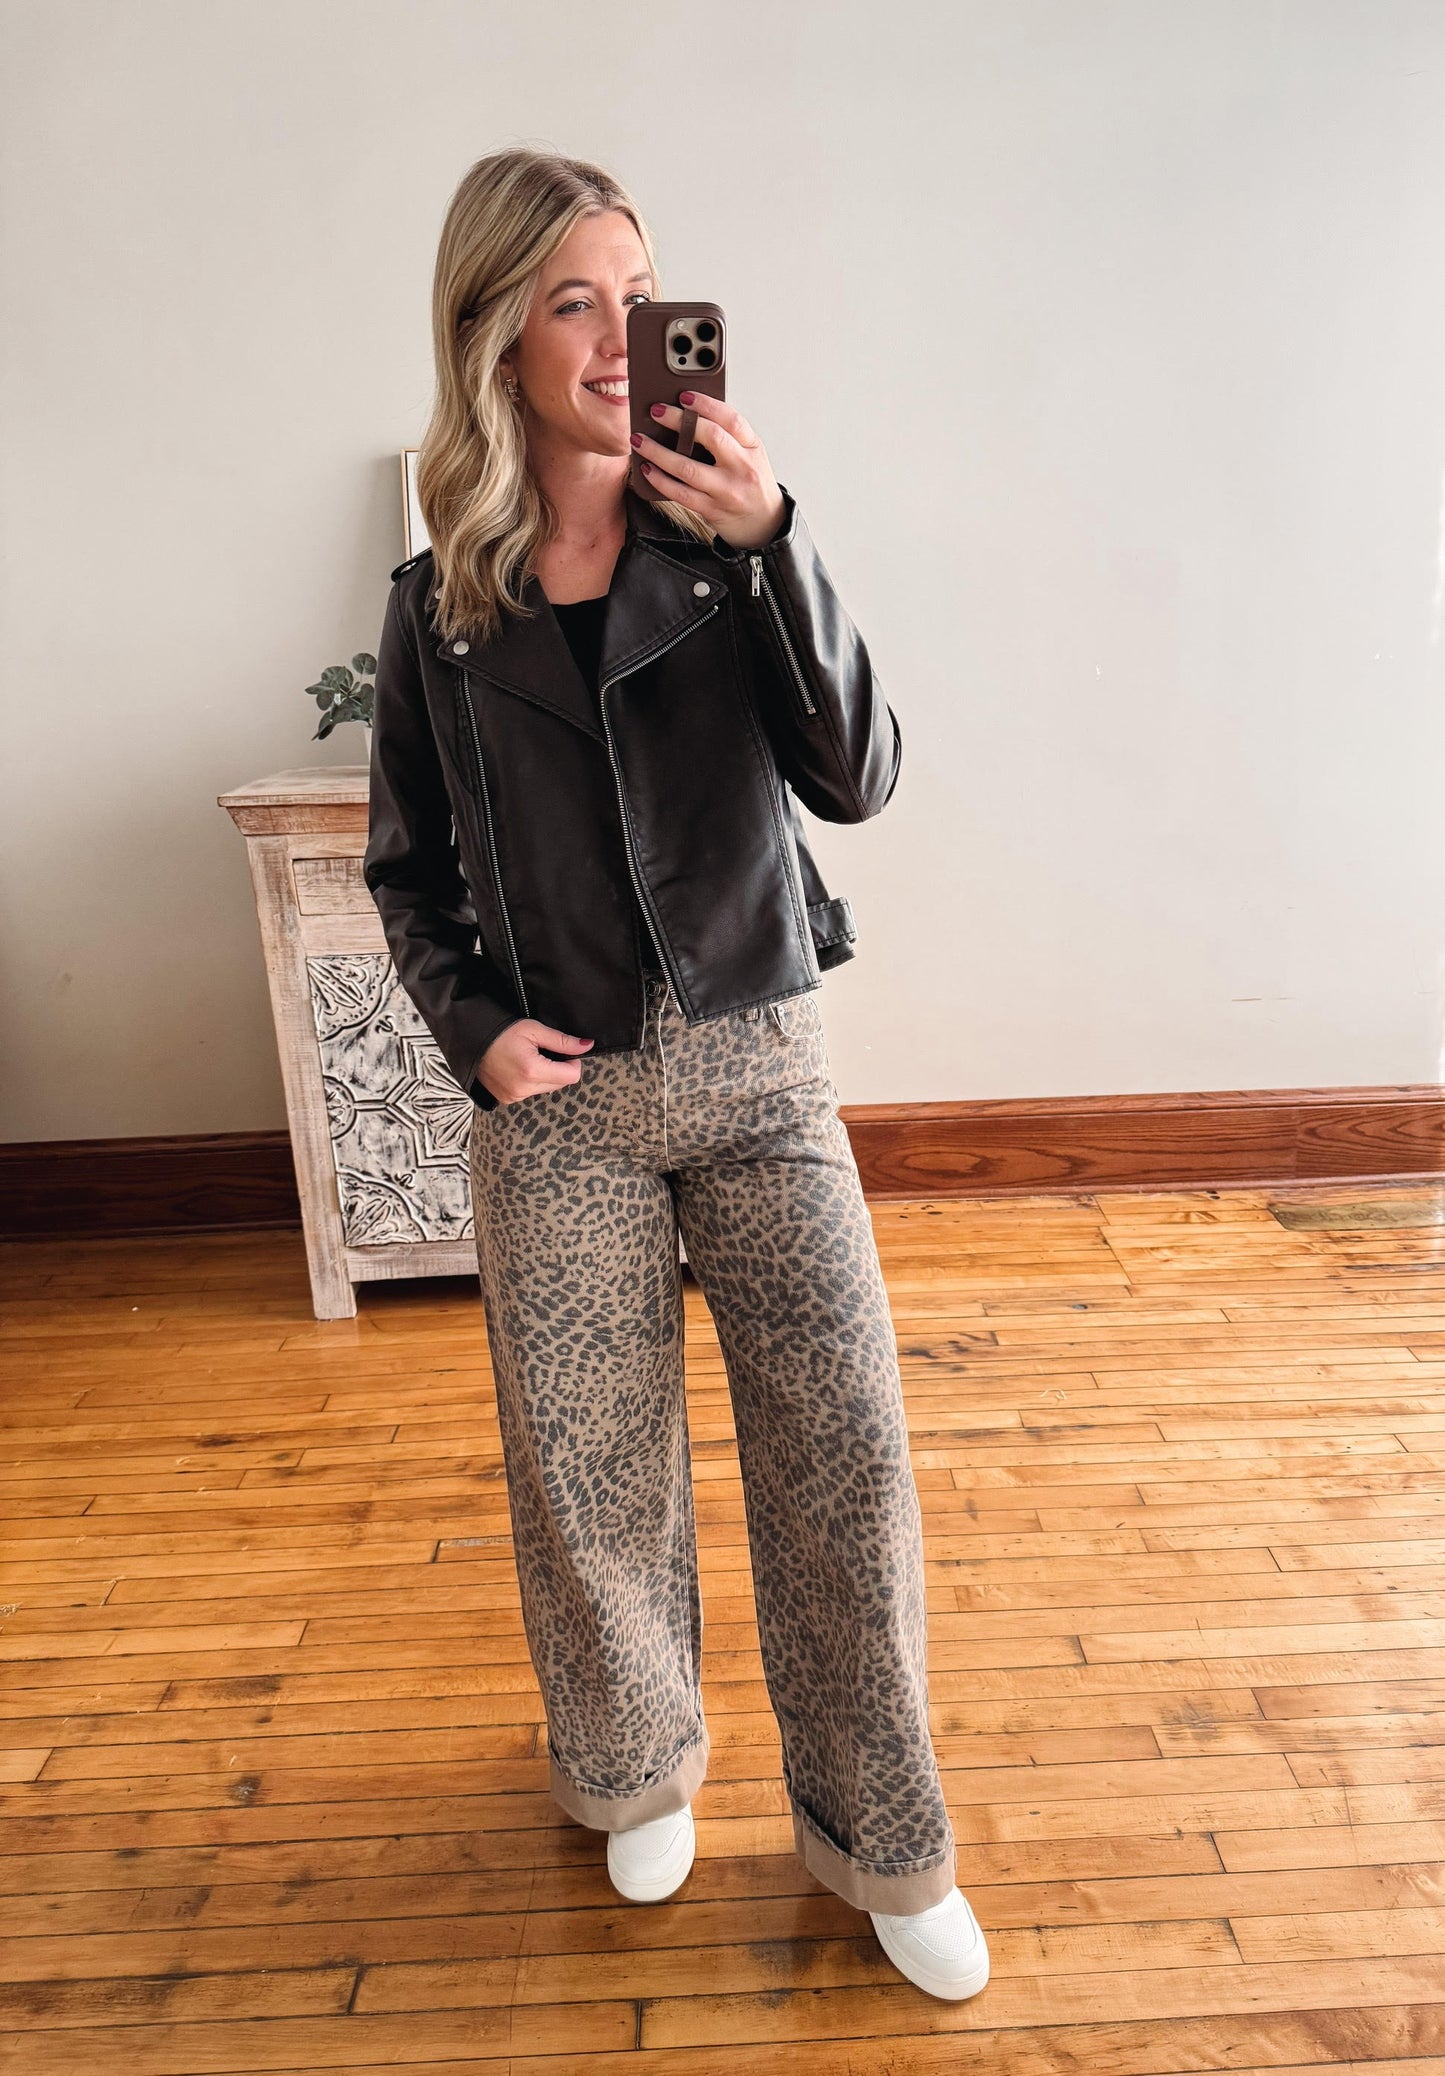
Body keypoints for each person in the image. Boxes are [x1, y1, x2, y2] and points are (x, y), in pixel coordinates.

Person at [364, 146, 989, 2004]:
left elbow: (856, 777)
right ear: (493, 336)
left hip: (757, 1066)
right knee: (586, 1471)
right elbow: (406, 867)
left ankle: (885, 1840)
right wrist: (474, 1029)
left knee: (844, 1458)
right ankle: (634, 1764)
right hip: (558, 1106)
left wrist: (772, 535)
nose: (618, 337)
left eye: (637, 297)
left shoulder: (729, 553)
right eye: (572, 301)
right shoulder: (440, 605)